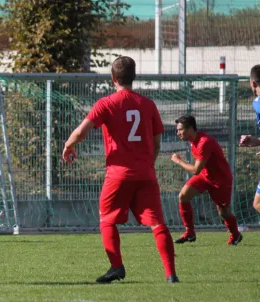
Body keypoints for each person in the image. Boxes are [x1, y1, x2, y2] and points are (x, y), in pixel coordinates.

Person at [62, 56, 178, 284]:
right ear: (134, 77)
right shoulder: (148, 105)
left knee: (107, 219)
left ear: (113, 78)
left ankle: (116, 267)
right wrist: (148, 164)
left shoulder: (106, 103)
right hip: (146, 174)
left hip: (118, 173)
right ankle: (171, 274)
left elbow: (81, 132)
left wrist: (68, 145)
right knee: (157, 223)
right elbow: (156, 144)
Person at [171, 115, 241, 245]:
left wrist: (179, 161)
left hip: (220, 179)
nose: (178, 133)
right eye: (177, 130)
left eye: (180, 130)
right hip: (205, 176)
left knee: (223, 212)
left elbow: (195, 170)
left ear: (191, 128)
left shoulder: (204, 142)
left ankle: (235, 234)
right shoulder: (193, 141)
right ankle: (190, 232)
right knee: (183, 196)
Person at [238, 64, 260, 216]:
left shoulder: (259, 101)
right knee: (258, 203)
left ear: (253, 83)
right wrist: (256, 140)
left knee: (259, 203)